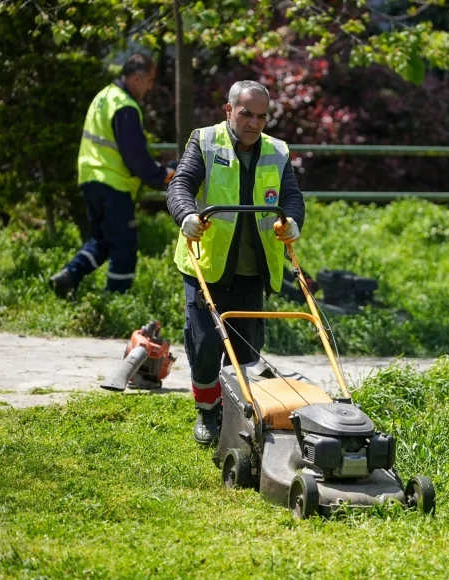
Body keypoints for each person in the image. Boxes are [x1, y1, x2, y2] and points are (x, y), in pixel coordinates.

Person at [166, 80, 305, 445]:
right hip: (207, 263)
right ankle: (207, 413)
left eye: (261, 116)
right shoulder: (206, 141)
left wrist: (292, 222)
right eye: (246, 114)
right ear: (229, 111)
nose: (254, 124)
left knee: (246, 353)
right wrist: (186, 215)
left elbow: (291, 197)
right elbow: (180, 185)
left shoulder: (277, 151)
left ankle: (235, 414)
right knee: (206, 344)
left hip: (251, 270)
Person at [50, 54, 175, 297]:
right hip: (113, 184)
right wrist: (161, 175)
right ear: (136, 78)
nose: (150, 87)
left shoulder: (103, 97)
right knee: (124, 245)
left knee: (102, 241)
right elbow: (134, 155)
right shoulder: (125, 106)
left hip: (91, 179)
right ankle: (115, 299)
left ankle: (69, 276)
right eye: (149, 81)